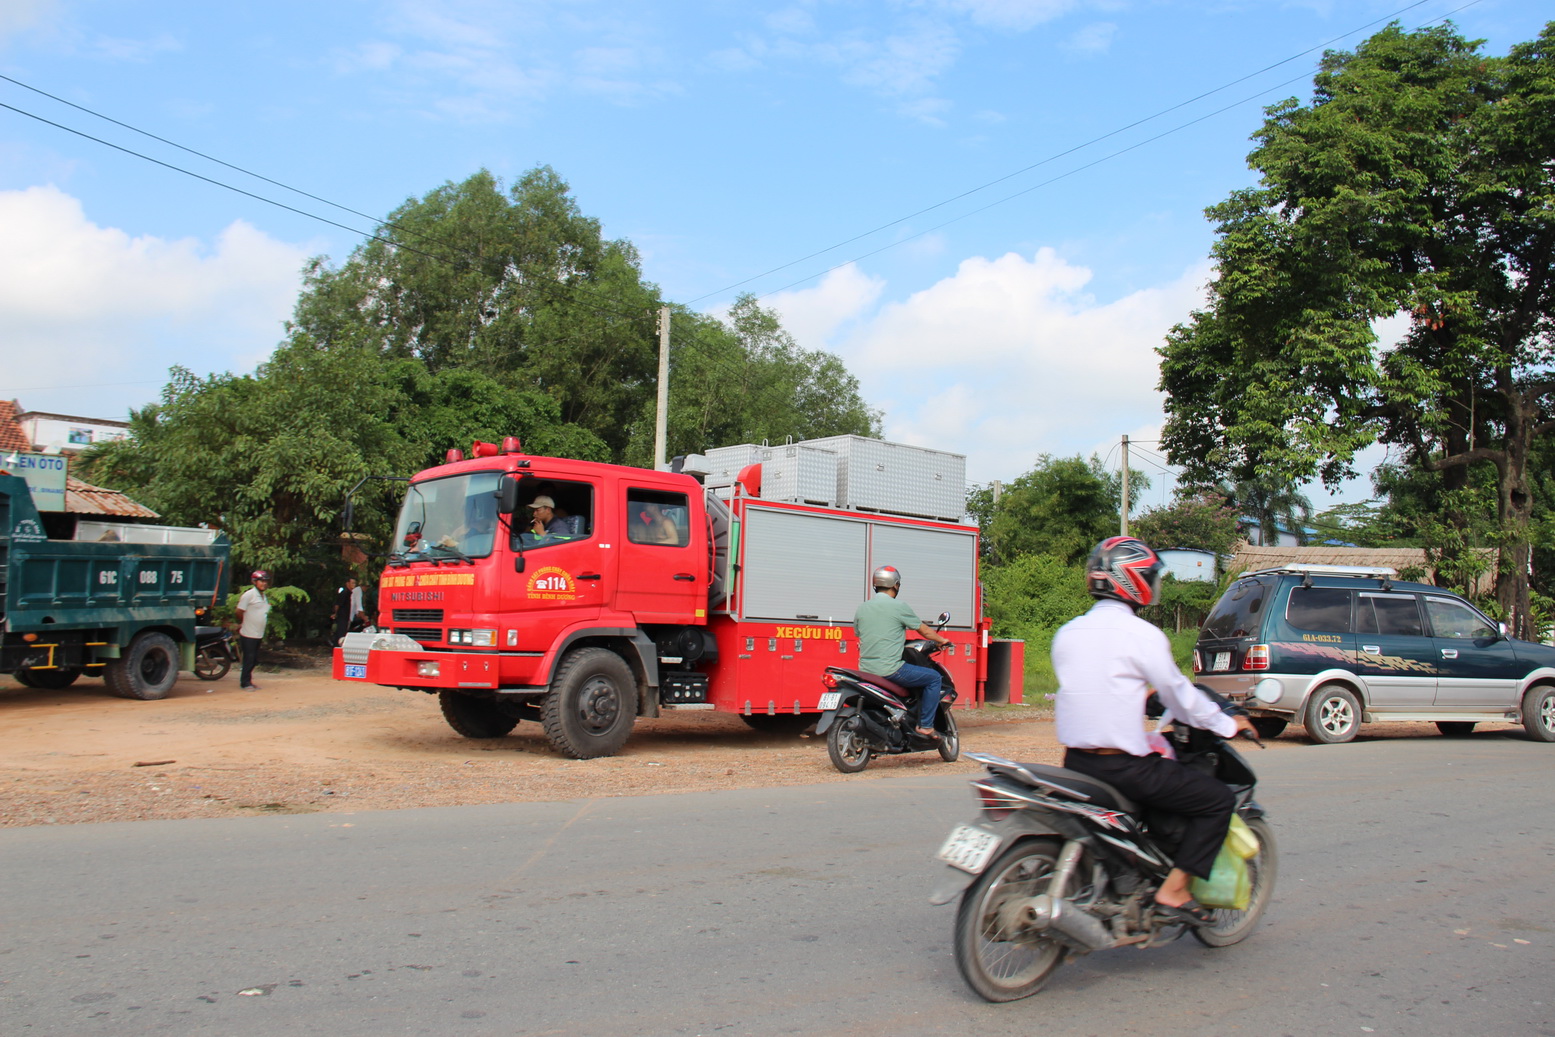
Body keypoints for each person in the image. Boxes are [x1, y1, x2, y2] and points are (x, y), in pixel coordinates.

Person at [1052, 536, 1257, 925]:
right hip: (1124, 769)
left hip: (1076, 762)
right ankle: (1174, 890)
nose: (1154, 584)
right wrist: (1226, 723)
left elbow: (1102, 683)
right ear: (1132, 581)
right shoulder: (1141, 635)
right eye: (1150, 576)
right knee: (1215, 801)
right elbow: (1180, 697)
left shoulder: (1069, 632)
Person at [852, 565, 953, 739]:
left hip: (865, 670)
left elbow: (859, 633)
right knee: (934, 678)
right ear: (896, 585)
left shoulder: (863, 608)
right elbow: (923, 630)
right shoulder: (899, 607)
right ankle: (926, 726)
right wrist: (942, 640)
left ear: (875, 584)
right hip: (891, 669)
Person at [234, 570, 272, 691]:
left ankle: (248, 680)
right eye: (261, 581)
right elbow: (239, 611)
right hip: (248, 633)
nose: (264, 584)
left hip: (258, 633)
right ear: (254, 582)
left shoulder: (263, 596)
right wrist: (244, 622)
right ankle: (245, 683)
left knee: (254, 659)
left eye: (266, 581)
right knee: (249, 658)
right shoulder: (249, 595)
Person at [332, 577, 366, 645]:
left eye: (355, 583)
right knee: (341, 634)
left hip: (347, 616)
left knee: (344, 632)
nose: (354, 584)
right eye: (352, 583)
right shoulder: (344, 592)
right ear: (347, 583)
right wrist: (335, 613)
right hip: (342, 616)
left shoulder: (351, 593)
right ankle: (337, 648)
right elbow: (337, 604)